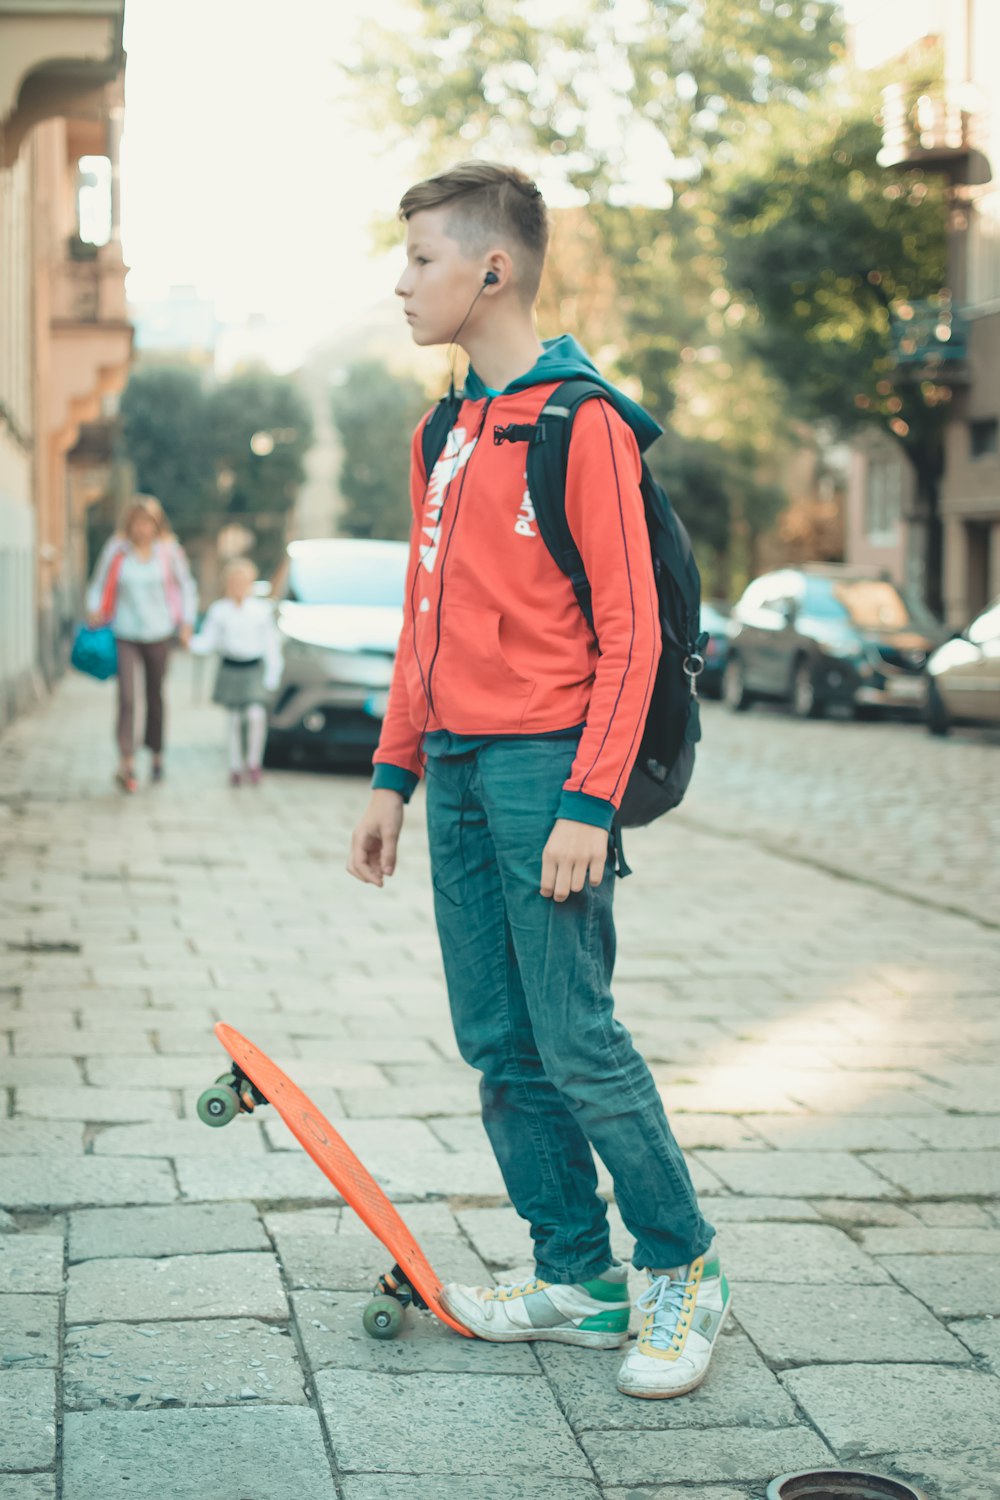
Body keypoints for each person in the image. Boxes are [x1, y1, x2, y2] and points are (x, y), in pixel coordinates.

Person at [347, 162, 728, 1401]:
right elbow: (421, 619)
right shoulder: (442, 432)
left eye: (421, 260)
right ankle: (579, 1274)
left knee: (575, 1036)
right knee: (498, 1043)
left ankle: (681, 1270)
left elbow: (629, 634)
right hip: (452, 768)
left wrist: (585, 803)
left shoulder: (583, 421)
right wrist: (391, 774)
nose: (402, 283)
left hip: (544, 768)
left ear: (490, 269)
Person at [86, 496, 197, 792]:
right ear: (130, 524)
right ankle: (127, 760)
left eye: (148, 523)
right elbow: (98, 582)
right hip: (125, 631)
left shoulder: (169, 552)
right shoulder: (117, 550)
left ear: (156, 524)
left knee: (155, 695)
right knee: (127, 697)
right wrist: (95, 607)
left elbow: (186, 586)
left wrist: (187, 623)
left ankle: (157, 753)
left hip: (159, 631)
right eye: (137, 522)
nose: (142, 528)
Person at [188, 558, 282, 786]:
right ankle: (235, 765)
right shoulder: (220, 611)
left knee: (255, 715)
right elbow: (208, 641)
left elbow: (271, 645)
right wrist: (190, 641)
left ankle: (253, 762)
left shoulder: (260, 611)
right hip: (231, 668)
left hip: (253, 669)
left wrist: (273, 675)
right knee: (233, 719)